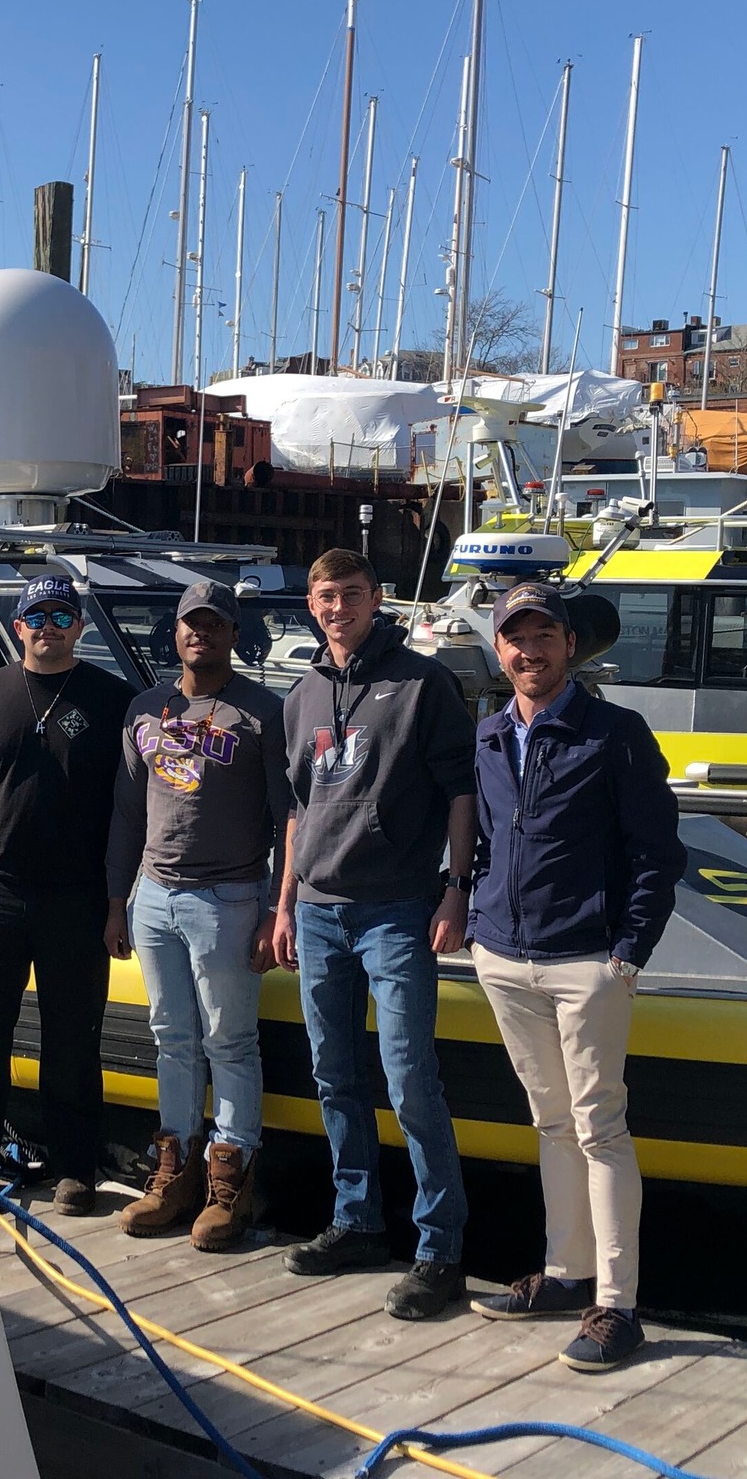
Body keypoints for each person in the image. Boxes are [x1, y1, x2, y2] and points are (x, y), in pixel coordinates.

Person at [464, 581, 685, 1372]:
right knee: (551, 1122)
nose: (531, 651)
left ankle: (618, 1307)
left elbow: (658, 854)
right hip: (504, 956)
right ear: (500, 650)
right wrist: (480, 924)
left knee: (600, 1128)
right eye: (516, 638)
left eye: (544, 636)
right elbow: (485, 840)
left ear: (568, 644)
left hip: (588, 960)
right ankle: (564, 1274)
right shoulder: (491, 735)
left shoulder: (616, 734)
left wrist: (628, 950)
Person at [272, 548, 477, 1321]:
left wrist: (456, 889)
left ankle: (440, 1249)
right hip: (318, 911)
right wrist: (285, 905)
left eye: (352, 594)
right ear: (311, 604)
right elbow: (298, 810)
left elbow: (461, 791)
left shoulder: (423, 683)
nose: (338, 607)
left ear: (377, 598)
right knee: (334, 1076)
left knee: (409, 1079)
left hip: (396, 910)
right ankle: (357, 1222)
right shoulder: (301, 695)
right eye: (326, 596)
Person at [105, 579, 291, 1250]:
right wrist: (116, 902)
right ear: (176, 631)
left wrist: (277, 910)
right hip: (154, 897)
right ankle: (175, 1169)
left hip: (231, 899)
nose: (200, 633)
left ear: (234, 634)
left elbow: (287, 820)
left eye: (214, 623)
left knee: (229, 1040)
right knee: (171, 1036)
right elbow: (127, 814)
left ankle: (230, 1180)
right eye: (191, 622)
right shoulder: (143, 709)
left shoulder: (264, 712)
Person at [0, 573, 133, 1216]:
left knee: (74, 1039)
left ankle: (75, 1168)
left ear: (80, 626)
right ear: (19, 626)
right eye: (37, 617)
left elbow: (130, 806)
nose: (49, 627)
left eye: (62, 616)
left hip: (77, 899)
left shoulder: (112, 699)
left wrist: (115, 895)